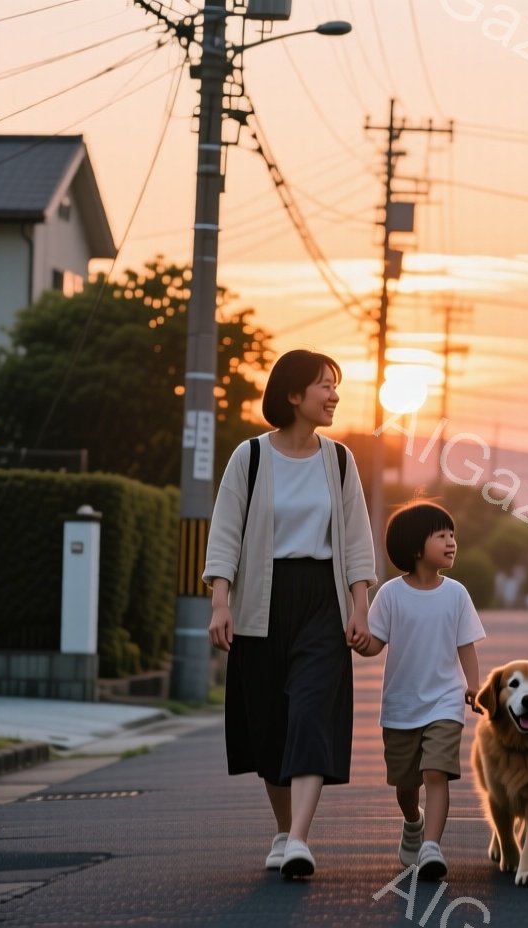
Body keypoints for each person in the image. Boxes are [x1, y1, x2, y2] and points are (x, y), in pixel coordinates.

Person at [203, 349, 375, 880]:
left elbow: (357, 539)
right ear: (293, 395)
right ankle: (283, 829)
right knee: (271, 724)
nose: (334, 395)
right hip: (261, 598)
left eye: (335, 385)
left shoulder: (340, 460)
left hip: (321, 600)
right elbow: (226, 531)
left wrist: (360, 606)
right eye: (324, 385)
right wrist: (220, 601)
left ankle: (299, 838)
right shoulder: (250, 457)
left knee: (309, 711)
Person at [354, 501, 484, 883]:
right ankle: (413, 821)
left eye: (452, 535)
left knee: (436, 772)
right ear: (414, 548)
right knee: (405, 784)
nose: (451, 542)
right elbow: (376, 644)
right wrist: (360, 642)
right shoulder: (391, 595)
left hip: (444, 702)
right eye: (441, 535)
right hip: (401, 707)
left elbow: (467, 646)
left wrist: (474, 685)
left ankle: (431, 846)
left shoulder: (457, 594)